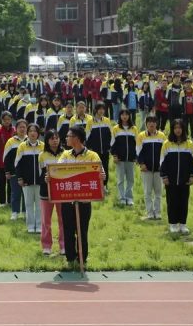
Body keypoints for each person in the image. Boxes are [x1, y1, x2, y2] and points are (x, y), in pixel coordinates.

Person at [59, 125, 104, 267]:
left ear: (77, 138)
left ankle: (82, 258)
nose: (66, 138)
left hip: (84, 199)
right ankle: (70, 259)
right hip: (67, 200)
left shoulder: (92, 156)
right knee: (68, 229)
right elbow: (57, 172)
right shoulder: (65, 155)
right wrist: (50, 177)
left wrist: (102, 176)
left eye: (68, 136)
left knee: (82, 230)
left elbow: (100, 173)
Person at [160, 119, 193, 234]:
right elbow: (162, 162)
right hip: (170, 180)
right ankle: (173, 224)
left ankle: (183, 224)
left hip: (185, 180)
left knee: (183, 202)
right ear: (172, 129)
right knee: (172, 202)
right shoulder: (167, 144)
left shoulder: (189, 144)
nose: (178, 130)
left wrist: (192, 176)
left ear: (183, 129)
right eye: (175, 128)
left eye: (180, 128)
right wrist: (164, 176)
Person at [39, 130, 64, 255]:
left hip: (62, 191)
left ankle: (63, 246)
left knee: (63, 220)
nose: (55, 140)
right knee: (46, 220)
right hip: (46, 191)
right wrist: (44, 179)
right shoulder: (42, 155)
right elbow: (39, 175)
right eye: (52, 138)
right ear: (47, 141)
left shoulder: (65, 154)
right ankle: (46, 246)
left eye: (57, 138)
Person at [15, 123, 43, 233]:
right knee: (29, 204)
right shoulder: (22, 146)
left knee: (40, 205)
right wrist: (20, 178)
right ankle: (31, 226)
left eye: (35, 131)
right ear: (27, 133)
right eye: (30, 131)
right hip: (26, 181)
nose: (33, 133)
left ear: (38, 133)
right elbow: (17, 164)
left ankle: (40, 226)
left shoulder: (43, 146)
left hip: (40, 182)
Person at [136, 115, 166, 220]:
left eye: (154, 122)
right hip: (146, 169)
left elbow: (164, 153)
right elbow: (138, 151)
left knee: (158, 192)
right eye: (149, 122)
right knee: (147, 192)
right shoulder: (141, 136)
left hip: (159, 169)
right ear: (146, 124)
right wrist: (142, 163)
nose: (152, 124)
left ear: (156, 124)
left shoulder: (162, 136)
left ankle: (157, 213)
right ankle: (149, 212)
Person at [111, 109, 138, 206]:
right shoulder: (116, 128)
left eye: (127, 114)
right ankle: (122, 198)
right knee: (121, 179)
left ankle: (129, 198)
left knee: (130, 179)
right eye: (122, 114)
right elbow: (112, 144)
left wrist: (136, 156)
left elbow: (137, 144)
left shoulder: (134, 129)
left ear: (129, 116)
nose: (125, 116)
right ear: (120, 116)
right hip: (120, 159)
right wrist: (114, 156)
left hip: (131, 158)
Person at [0, 111, 15, 207]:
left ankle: (10, 201)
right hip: (0, 160)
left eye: (9, 119)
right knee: (1, 182)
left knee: (11, 182)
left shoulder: (15, 130)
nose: (7, 122)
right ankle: (1, 201)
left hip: (12, 161)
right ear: (2, 120)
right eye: (5, 120)